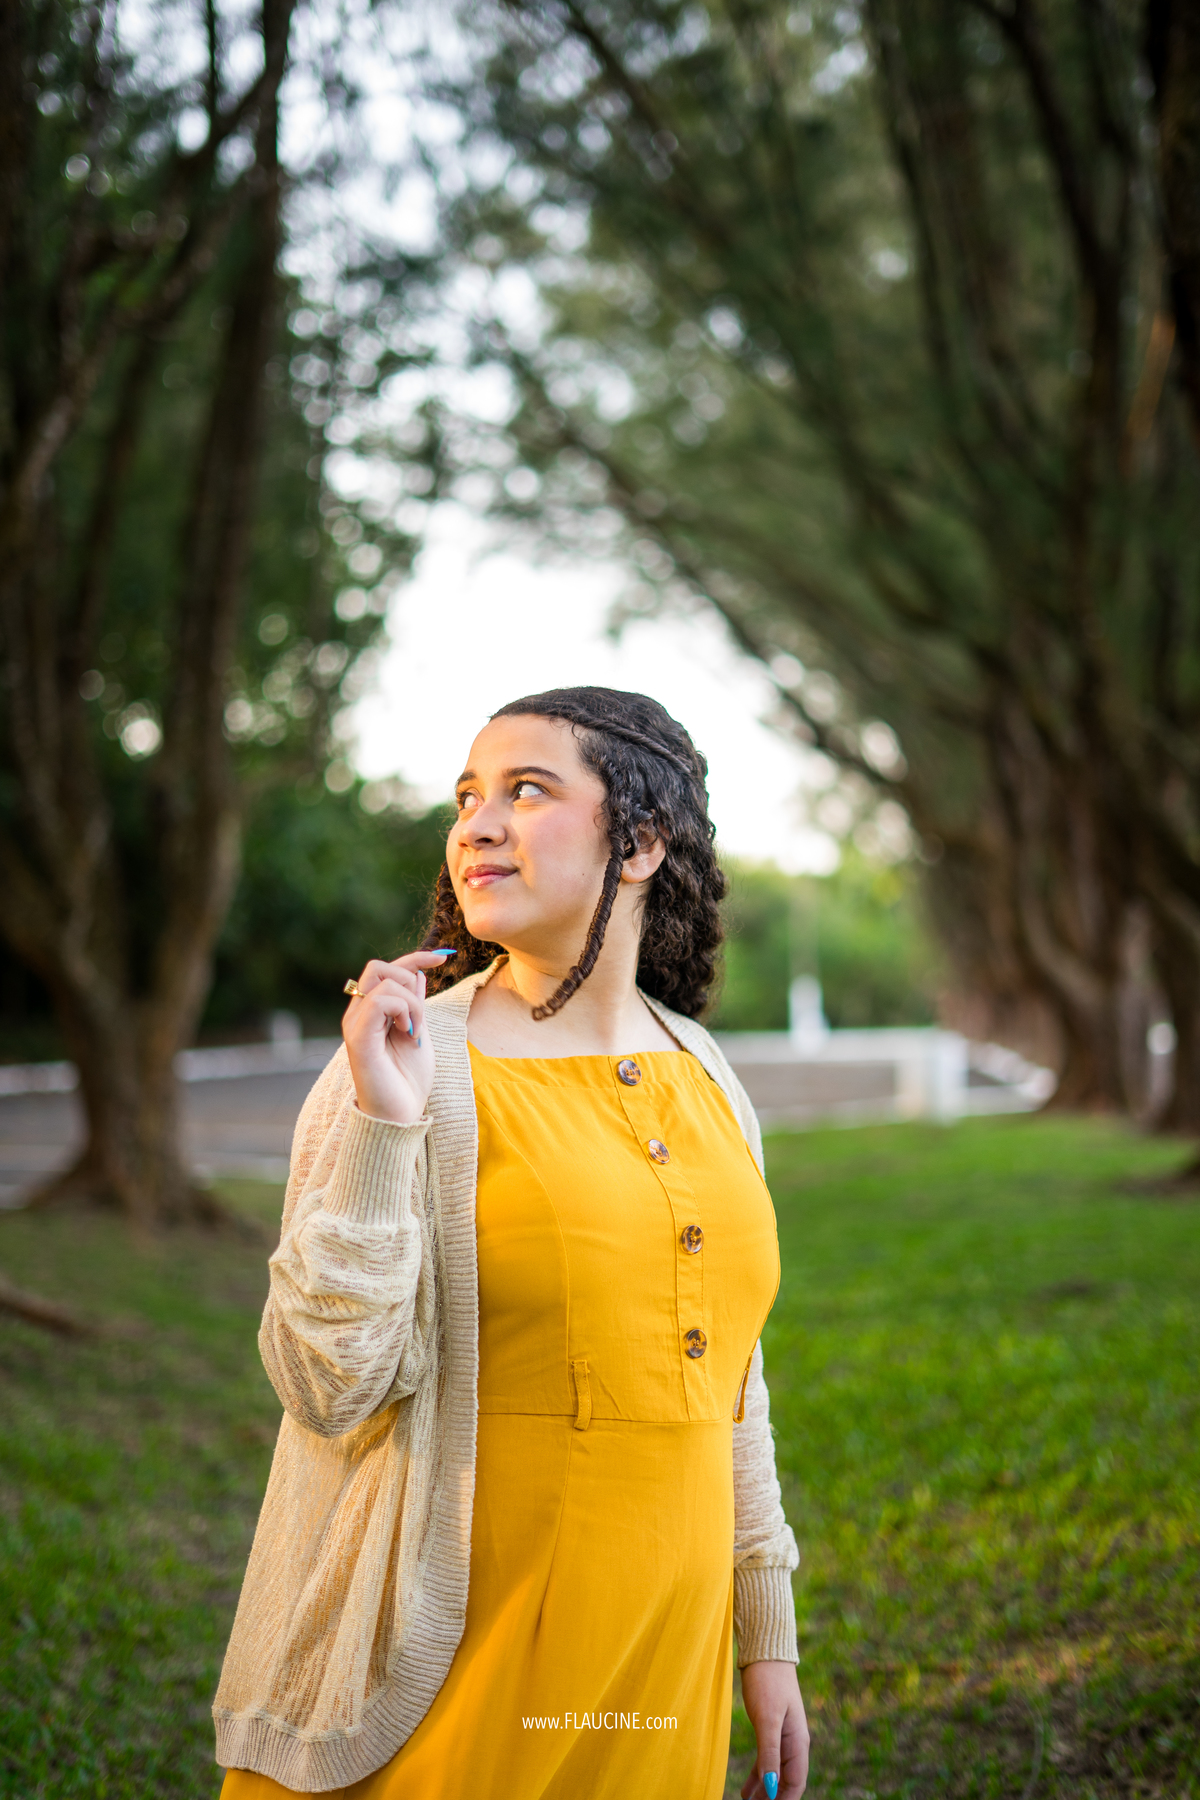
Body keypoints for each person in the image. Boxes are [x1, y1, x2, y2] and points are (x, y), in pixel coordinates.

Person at [214, 686, 809, 1800]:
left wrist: (764, 1631)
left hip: (663, 1651)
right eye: (467, 798)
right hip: (460, 1650)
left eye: (526, 791)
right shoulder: (403, 1063)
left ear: (641, 842)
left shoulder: (706, 1074)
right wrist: (385, 1126)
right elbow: (326, 1387)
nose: (477, 826)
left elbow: (734, 1379)